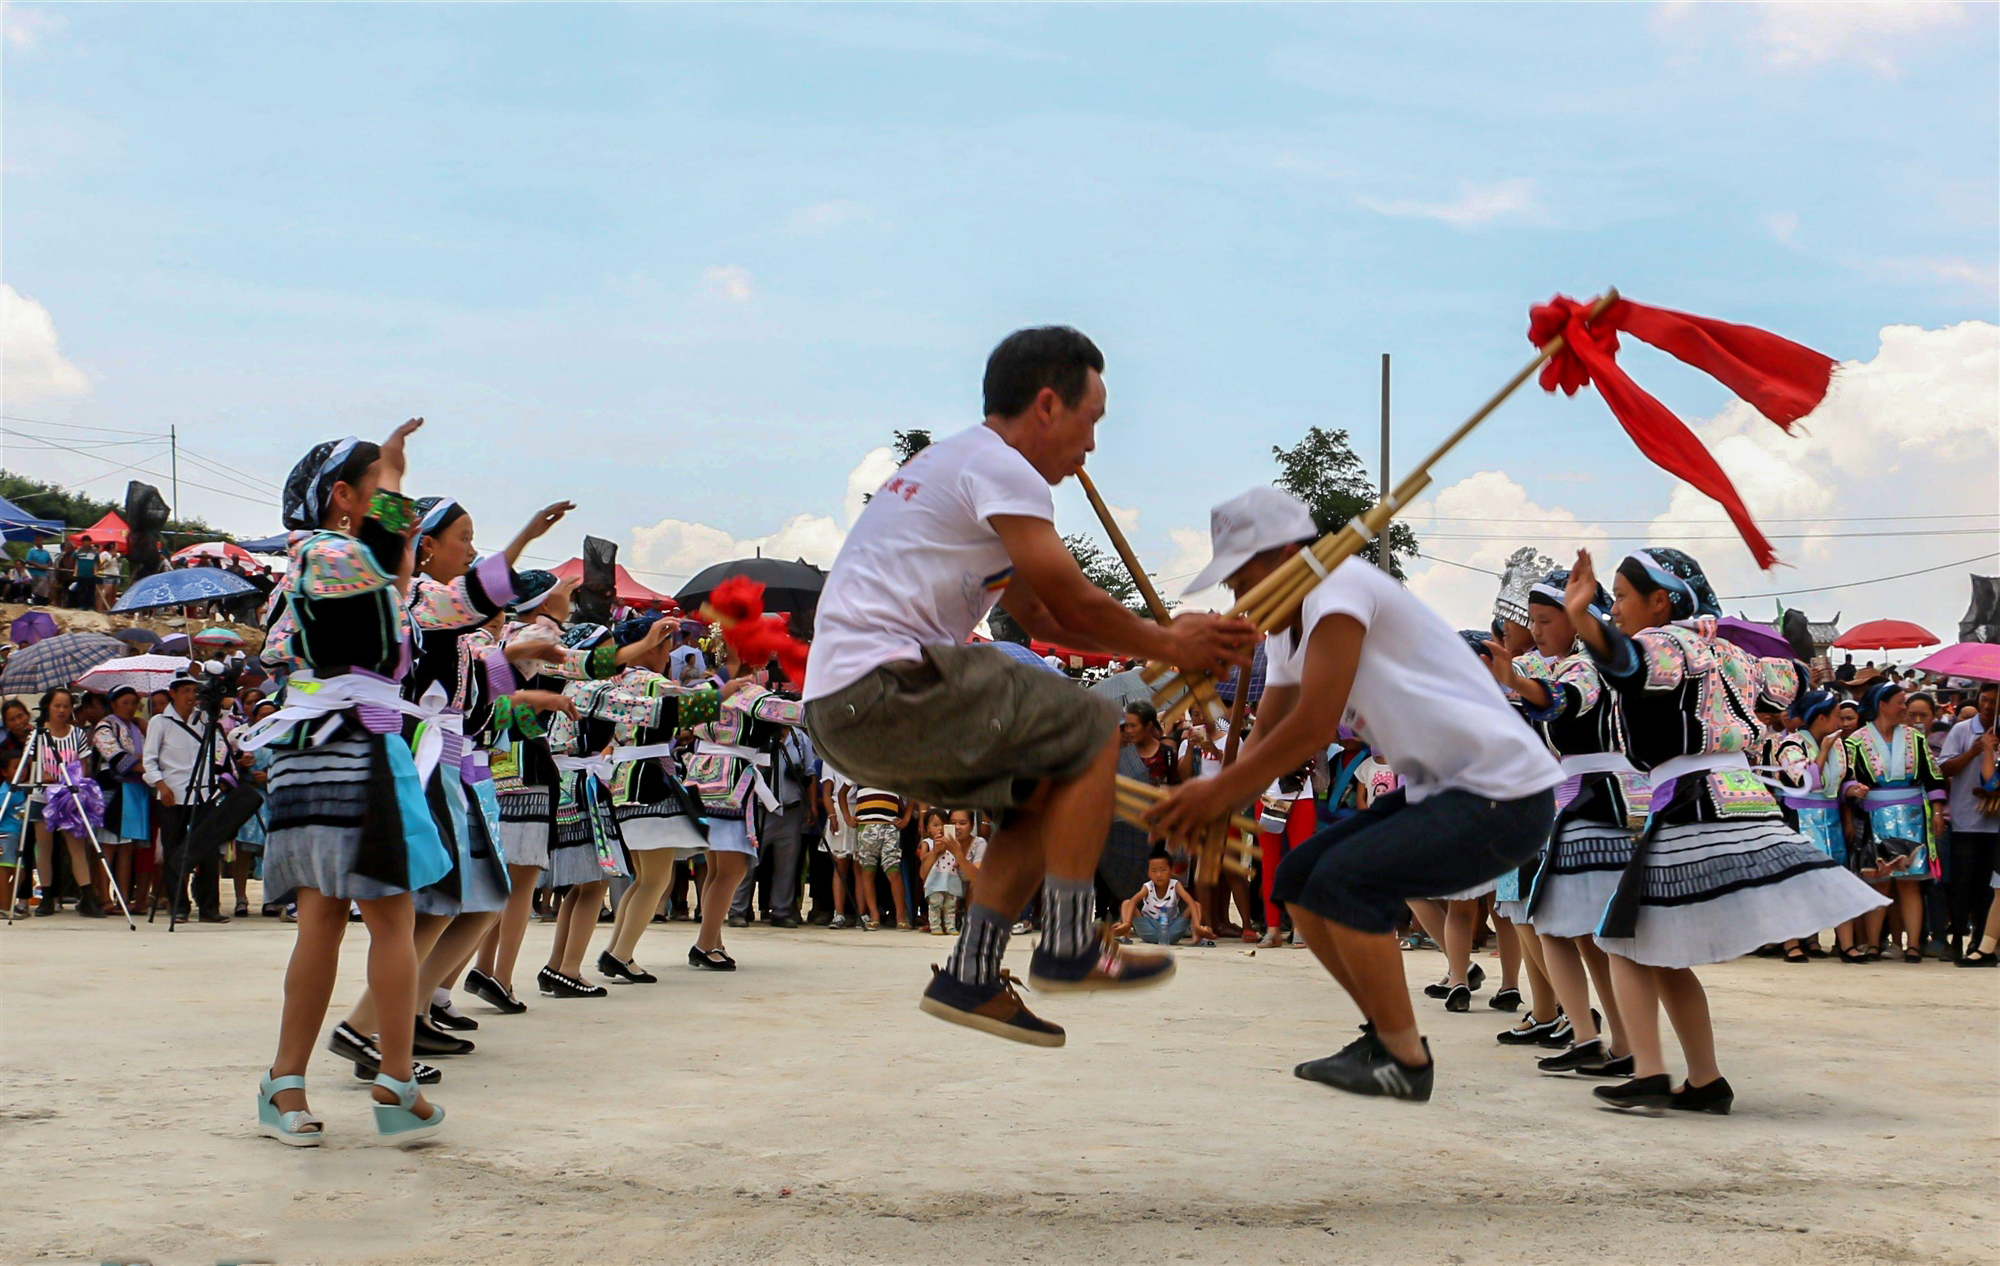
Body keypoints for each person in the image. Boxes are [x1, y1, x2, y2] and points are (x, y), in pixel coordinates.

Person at [803, 326, 1253, 1047]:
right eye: (1091, 420)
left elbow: (1042, 612)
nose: (1092, 446)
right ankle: (1070, 943)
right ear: (1048, 405)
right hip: (883, 683)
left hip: (847, 706)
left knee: (1045, 791)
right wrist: (1170, 641)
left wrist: (1162, 648)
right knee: (1085, 725)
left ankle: (972, 972)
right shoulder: (1001, 466)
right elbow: (1073, 602)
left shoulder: (957, 463)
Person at [1148, 487, 1562, 1102]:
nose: (1239, 600)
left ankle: (1404, 1058)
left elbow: (1312, 727)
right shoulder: (1291, 632)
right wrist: (1221, 797)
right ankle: (1384, 1035)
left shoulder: (1337, 588)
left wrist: (1215, 797)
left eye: (1242, 580)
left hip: (1500, 790)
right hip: (1444, 791)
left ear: (1288, 554)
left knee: (1344, 881)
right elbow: (1267, 734)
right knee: (1298, 881)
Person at [1559, 547, 1884, 1114]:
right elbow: (1796, 681)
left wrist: (1582, 619)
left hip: (1690, 799)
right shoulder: (1729, 651)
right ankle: (1703, 1080)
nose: (1615, 608)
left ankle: (1650, 1070)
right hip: (1737, 796)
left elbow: (1625, 663)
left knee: (1621, 938)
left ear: (1660, 600)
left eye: (1621, 596)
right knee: (1652, 948)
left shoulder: (1662, 642)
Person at [239, 421, 446, 1145]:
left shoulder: (323, 560)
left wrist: (389, 480)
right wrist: (393, 483)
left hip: (320, 747)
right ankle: (393, 1083)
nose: (394, 499)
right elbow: (391, 581)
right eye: (376, 484)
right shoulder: (329, 553)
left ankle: (287, 1083)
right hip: (350, 747)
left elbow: (398, 583)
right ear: (341, 497)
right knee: (389, 915)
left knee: (327, 918)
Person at [1479, 568, 1633, 1077]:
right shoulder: (1572, 664)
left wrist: (1518, 682)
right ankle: (1601, 1036)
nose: (1537, 630)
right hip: (1578, 802)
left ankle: (1612, 1038)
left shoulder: (1588, 667)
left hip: (1592, 805)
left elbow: (1559, 698)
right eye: (1534, 621)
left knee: (1567, 928)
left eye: (1546, 620)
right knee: (1571, 931)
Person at [677, 631, 809, 970]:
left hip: (700, 774)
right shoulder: (750, 694)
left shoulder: (704, 690)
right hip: (731, 777)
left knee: (715, 868)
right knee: (732, 868)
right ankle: (705, 944)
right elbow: (797, 714)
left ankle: (712, 939)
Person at [1844, 681, 1945, 962]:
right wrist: (1851, 794)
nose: (1905, 708)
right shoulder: (1856, 741)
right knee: (1879, 880)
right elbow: (1846, 778)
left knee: (1910, 883)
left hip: (1912, 815)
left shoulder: (1916, 739)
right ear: (1882, 705)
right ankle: (1874, 943)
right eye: (1900, 702)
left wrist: (1937, 811)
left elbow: (1932, 775)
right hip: (1875, 817)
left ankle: (1913, 945)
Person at [1772, 688, 1862, 961]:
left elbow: (1845, 778)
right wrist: (1822, 752)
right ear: (1821, 718)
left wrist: (1853, 789)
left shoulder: (1840, 745)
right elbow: (1803, 782)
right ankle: (1792, 942)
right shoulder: (1791, 745)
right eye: (1835, 715)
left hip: (1830, 818)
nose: (1840, 721)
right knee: (1797, 881)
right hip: (1800, 818)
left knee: (1838, 879)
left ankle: (1846, 944)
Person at [143, 672, 230, 923]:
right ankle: (179, 905)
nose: (192, 697)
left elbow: (219, 748)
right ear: (174, 693)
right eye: (186, 692)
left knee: (209, 851)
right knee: (174, 851)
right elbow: (149, 760)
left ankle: (209, 907)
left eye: (194, 691)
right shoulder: (160, 722)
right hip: (173, 794)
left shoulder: (204, 719)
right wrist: (161, 786)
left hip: (204, 792)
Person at [22, 688, 105, 917]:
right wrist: (43, 778)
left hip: (70, 797)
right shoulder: (37, 734)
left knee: (76, 847)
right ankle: (47, 896)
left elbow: (83, 768)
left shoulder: (77, 735)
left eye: (66, 706)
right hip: (42, 795)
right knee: (44, 846)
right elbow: (31, 768)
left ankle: (87, 896)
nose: (62, 710)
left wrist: (64, 779)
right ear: (48, 706)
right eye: (57, 705)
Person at [1938, 684, 1998, 961]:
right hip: (1965, 819)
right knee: (1962, 884)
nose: (1988, 706)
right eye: (1984, 700)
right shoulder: (1962, 730)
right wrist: (1975, 751)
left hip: (1995, 823)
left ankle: (1981, 940)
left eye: (1994, 702)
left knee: (1989, 887)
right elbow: (1945, 768)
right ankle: (1958, 936)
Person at [91, 686, 152, 917]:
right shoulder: (105, 726)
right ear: (114, 704)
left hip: (136, 790)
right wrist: (146, 765)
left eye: (133, 702)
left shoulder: (137, 727)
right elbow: (115, 756)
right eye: (125, 702)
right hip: (113, 790)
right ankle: (105, 897)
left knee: (127, 848)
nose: (130, 707)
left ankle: (124, 897)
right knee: (108, 847)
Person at [1114, 849, 1211, 946]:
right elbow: (1133, 901)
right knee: (1126, 903)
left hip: (1170, 930)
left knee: (1196, 905)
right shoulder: (1147, 887)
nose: (1159, 875)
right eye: (1154, 871)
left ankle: (1197, 938)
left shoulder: (1175, 885)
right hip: (1149, 928)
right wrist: (1127, 923)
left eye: (1163, 870)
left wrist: (1197, 926)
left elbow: (1191, 902)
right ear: (1148, 873)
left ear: (1171, 870)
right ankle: (1125, 936)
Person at [850, 783, 913, 930]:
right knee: (867, 870)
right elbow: (842, 793)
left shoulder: (891, 772)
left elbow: (912, 792)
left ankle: (901, 917)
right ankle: (874, 916)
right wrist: (848, 817)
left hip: (890, 826)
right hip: (865, 825)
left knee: (893, 870)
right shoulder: (858, 770)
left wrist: (907, 817)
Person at [918, 809, 963, 936]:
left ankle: (950, 925)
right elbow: (922, 857)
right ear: (927, 828)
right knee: (935, 903)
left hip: (951, 877)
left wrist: (958, 861)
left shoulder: (953, 842)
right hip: (935, 878)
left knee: (951, 904)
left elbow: (958, 855)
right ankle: (935, 925)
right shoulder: (928, 842)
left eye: (944, 824)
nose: (940, 828)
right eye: (935, 825)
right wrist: (936, 851)